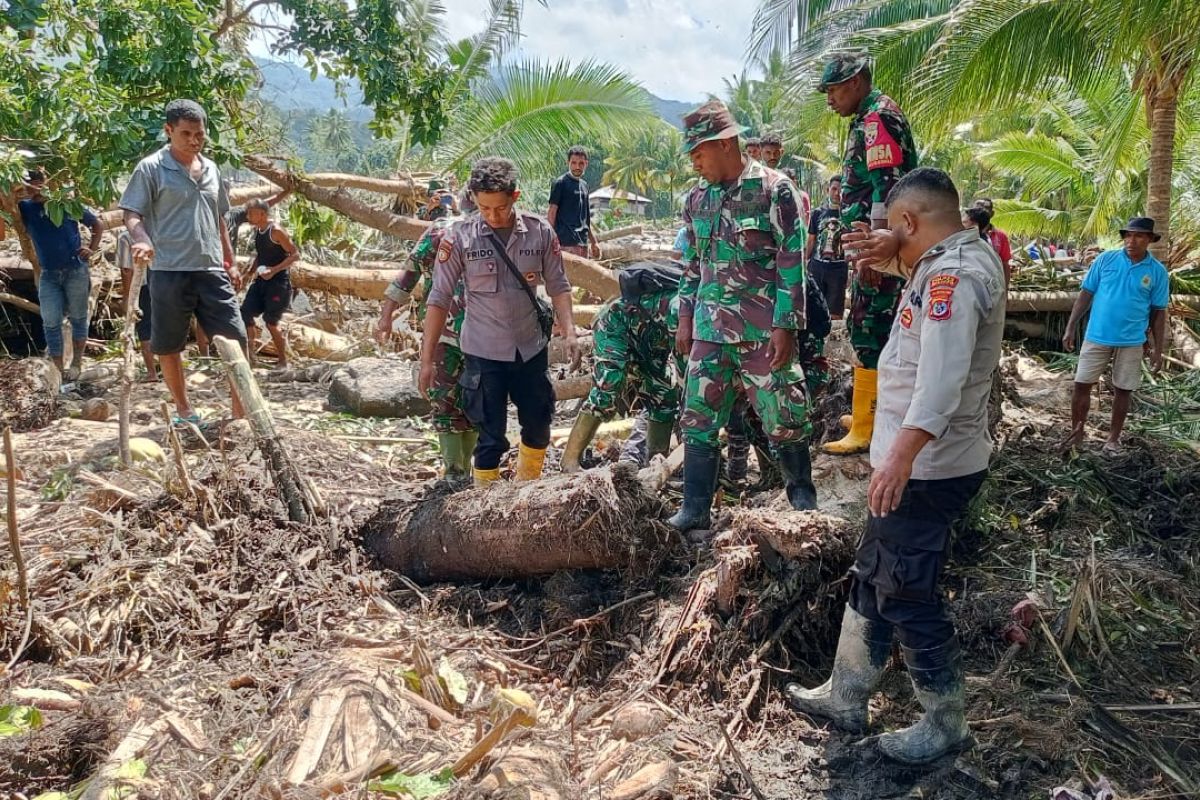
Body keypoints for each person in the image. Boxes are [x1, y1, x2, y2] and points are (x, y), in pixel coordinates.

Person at [787, 167, 1005, 765]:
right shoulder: (946, 261)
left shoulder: (953, 279)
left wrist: (900, 457)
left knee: (907, 592)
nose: (885, 242)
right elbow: (913, 266)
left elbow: (941, 380)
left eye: (892, 229)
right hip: (916, 458)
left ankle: (945, 724)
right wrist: (893, 251)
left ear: (910, 222)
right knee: (873, 571)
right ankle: (846, 694)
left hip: (930, 465)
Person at [671, 100, 816, 532]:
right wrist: (684, 317)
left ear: (727, 143)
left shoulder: (775, 189)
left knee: (784, 416)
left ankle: (802, 498)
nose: (695, 162)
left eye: (700, 152)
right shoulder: (696, 200)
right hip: (710, 330)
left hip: (761, 330)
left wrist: (786, 325)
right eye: (692, 154)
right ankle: (695, 508)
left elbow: (793, 262)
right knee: (697, 417)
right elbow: (693, 265)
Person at [420, 156, 580, 485]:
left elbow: (559, 286)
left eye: (500, 208)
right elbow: (438, 299)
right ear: (474, 201)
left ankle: (526, 487)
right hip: (482, 352)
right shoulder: (458, 238)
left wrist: (571, 331)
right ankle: (486, 502)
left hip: (530, 349)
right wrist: (426, 360)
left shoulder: (540, 232)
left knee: (538, 426)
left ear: (515, 197)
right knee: (490, 437)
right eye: (484, 209)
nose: (493, 216)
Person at [120, 99, 247, 425]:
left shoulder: (213, 170)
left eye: (199, 135)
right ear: (169, 130)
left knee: (236, 338)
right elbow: (132, 213)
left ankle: (241, 413)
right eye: (186, 133)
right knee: (169, 343)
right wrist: (142, 239)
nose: (194, 140)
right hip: (169, 269)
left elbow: (220, 219)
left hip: (210, 267)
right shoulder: (150, 168)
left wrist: (229, 260)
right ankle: (184, 410)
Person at [819, 51, 918, 456]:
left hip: (877, 248)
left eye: (834, 90)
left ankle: (869, 427)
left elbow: (887, 188)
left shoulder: (877, 118)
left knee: (870, 332)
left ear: (857, 81)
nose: (829, 100)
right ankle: (868, 416)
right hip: (871, 245)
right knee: (869, 330)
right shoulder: (867, 117)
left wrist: (877, 253)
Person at [375, 218, 476, 481]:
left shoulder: (493, 230)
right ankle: (455, 471)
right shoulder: (440, 232)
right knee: (444, 399)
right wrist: (385, 316)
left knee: (476, 401)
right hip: (443, 333)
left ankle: (466, 469)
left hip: (482, 334)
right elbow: (409, 274)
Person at [561, 262, 683, 472]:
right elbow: (685, 361)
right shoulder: (681, 307)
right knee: (608, 385)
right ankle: (569, 461)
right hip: (616, 325)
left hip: (650, 339)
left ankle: (654, 465)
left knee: (664, 394)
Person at [1061, 217, 1168, 455]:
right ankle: (1076, 435)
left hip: (1131, 340)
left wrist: (1157, 349)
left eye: (1139, 236)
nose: (1132, 240)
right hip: (1097, 335)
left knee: (1123, 389)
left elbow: (1158, 312)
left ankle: (1112, 439)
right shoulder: (1105, 260)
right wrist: (1070, 327)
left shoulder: (1157, 272)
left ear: (1149, 239)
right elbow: (1085, 294)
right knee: (1082, 385)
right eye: (1128, 235)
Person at [18, 170, 104, 379]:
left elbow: (96, 223)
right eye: (31, 185)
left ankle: (76, 363)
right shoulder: (25, 208)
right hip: (48, 274)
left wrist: (91, 248)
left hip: (75, 269)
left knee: (78, 318)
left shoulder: (65, 204)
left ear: (46, 183)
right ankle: (58, 370)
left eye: (39, 183)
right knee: (50, 321)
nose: (35, 188)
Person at [240, 199, 299, 367]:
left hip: (278, 284)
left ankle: (283, 360)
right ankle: (250, 355)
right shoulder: (258, 231)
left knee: (271, 322)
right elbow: (261, 255)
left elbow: (295, 255)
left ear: (262, 214)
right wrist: (249, 274)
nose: (248, 216)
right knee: (245, 313)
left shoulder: (277, 231)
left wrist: (273, 270)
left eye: (251, 213)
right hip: (261, 282)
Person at [116, 231, 157, 380]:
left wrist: (128, 297)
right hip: (162, 282)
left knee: (144, 328)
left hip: (141, 285)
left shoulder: (125, 237)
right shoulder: (156, 228)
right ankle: (166, 369)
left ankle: (152, 372)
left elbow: (127, 270)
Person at [806, 175, 849, 318]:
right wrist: (804, 263)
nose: (837, 193)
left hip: (838, 269)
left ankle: (833, 339)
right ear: (827, 190)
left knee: (835, 311)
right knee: (814, 308)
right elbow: (811, 240)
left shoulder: (849, 215)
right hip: (817, 266)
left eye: (841, 190)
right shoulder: (817, 213)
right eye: (834, 189)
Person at [547, 146, 600, 259]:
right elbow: (552, 213)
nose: (577, 166)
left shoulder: (584, 185)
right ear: (568, 163)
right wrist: (550, 240)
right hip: (565, 244)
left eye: (581, 163)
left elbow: (586, 219)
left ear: (586, 163)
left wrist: (594, 242)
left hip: (582, 244)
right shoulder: (560, 183)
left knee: (583, 277)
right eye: (574, 163)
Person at [226, 187, 290, 255]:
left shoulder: (234, 215)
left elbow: (262, 206)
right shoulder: (228, 217)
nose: (248, 217)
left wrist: (287, 191)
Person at [973, 198, 1012, 282]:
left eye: (985, 208)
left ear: (992, 213)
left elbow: (1005, 265)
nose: (981, 211)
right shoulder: (962, 234)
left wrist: (1005, 289)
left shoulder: (1001, 237)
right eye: (978, 208)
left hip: (992, 285)